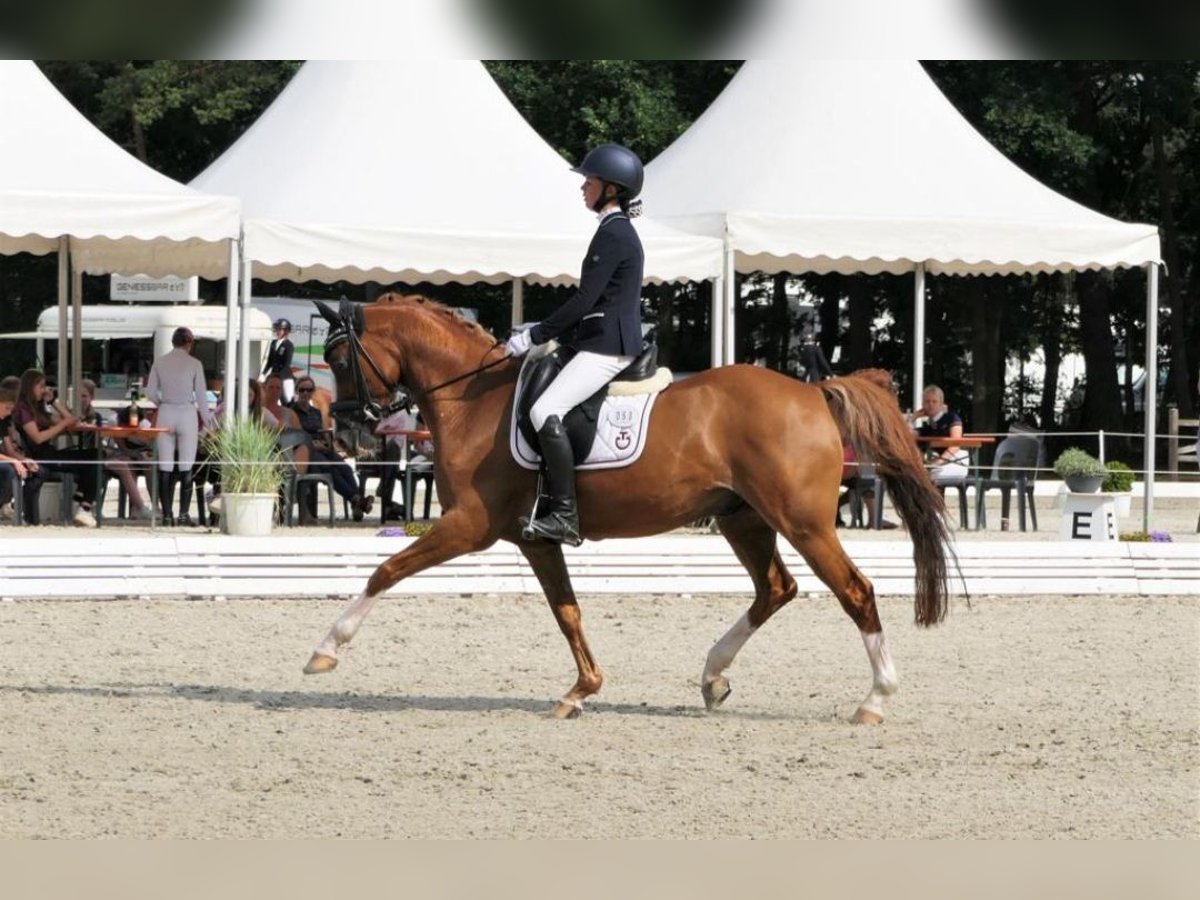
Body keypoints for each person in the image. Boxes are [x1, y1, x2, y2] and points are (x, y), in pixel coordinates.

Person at [503, 142, 646, 546]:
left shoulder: (615, 234)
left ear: (612, 188)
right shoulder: (612, 230)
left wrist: (534, 335)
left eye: (590, 181)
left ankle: (564, 515)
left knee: (545, 408)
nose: (583, 187)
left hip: (608, 345)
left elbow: (586, 300)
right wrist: (544, 329)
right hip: (597, 338)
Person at [11, 369, 100, 527]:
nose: (44, 390)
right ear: (30, 386)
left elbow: (71, 420)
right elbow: (37, 438)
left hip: (48, 453)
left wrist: (53, 402)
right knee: (93, 459)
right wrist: (62, 425)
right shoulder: (23, 410)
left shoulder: (37, 409)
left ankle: (80, 501)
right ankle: (83, 505)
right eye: (41, 386)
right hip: (39, 456)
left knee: (94, 455)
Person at [146, 326, 212, 526]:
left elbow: (149, 392)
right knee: (186, 466)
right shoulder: (195, 363)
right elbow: (201, 395)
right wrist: (207, 421)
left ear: (173, 342)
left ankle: (167, 515)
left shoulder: (160, 362)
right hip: (186, 412)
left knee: (165, 466)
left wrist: (162, 403)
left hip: (167, 411)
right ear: (189, 343)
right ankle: (183, 514)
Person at [290, 375, 370, 521]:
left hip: (322, 448)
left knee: (345, 468)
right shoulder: (292, 411)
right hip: (305, 451)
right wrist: (313, 444)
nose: (306, 393)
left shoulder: (316, 412)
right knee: (330, 469)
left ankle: (356, 502)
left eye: (309, 390)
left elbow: (322, 432)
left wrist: (327, 443)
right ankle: (356, 500)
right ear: (297, 391)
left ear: (313, 391)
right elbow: (295, 436)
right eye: (302, 390)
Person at [77, 379, 152, 520]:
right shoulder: (72, 415)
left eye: (84, 396)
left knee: (136, 464)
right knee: (123, 464)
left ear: (92, 397)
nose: (80, 400)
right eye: (78, 396)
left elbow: (101, 443)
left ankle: (141, 508)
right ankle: (140, 507)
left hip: (100, 455)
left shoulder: (96, 417)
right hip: (91, 457)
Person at [908, 384, 969, 486]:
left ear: (941, 404)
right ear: (923, 405)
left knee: (921, 477)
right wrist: (914, 417)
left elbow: (956, 444)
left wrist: (937, 463)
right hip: (933, 466)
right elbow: (905, 435)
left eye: (934, 401)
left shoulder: (952, 418)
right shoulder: (929, 427)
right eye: (927, 402)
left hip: (955, 462)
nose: (930, 405)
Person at [263, 318, 296, 402]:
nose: (277, 331)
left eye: (279, 329)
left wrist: (278, 377)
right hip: (274, 375)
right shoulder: (273, 343)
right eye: (277, 329)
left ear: (286, 331)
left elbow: (286, 364)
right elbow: (269, 361)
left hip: (285, 377)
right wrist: (263, 374)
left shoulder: (289, 345)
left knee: (288, 399)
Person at [797, 314, 833, 383]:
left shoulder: (802, 349)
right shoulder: (816, 349)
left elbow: (801, 362)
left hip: (804, 376)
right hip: (814, 375)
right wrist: (830, 373)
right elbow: (823, 362)